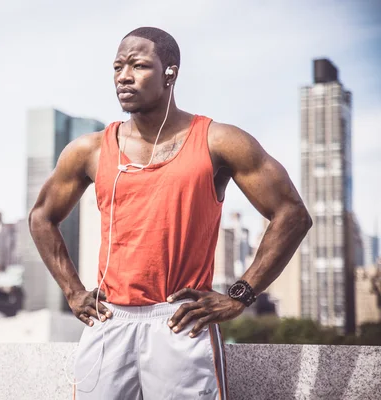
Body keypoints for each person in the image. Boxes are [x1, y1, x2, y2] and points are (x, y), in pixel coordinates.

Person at [28, 26, 312, 400]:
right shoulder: (90, 150)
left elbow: (292, 214)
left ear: (170, 74)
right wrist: (73, 291)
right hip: (109, 320)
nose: (124, 76)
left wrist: (240, 295)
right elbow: (41, 217)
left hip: (182, 321)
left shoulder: (218, 141)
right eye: (117, 67)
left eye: (138, 65)